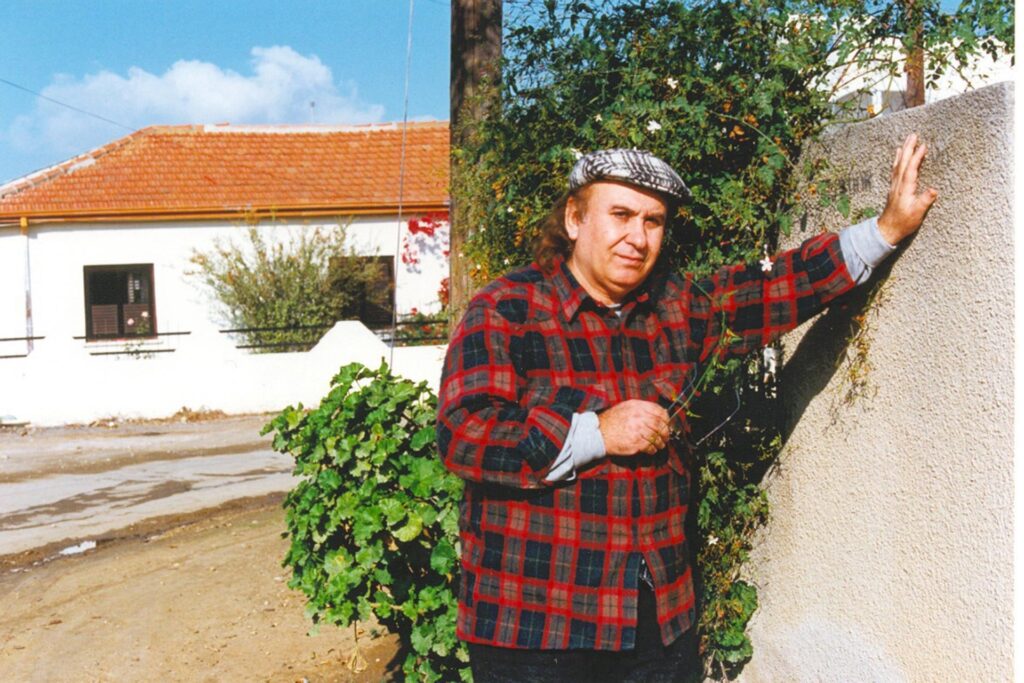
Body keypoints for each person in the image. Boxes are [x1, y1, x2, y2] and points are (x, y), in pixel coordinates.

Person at [437, 135, 937, 682]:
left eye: (653, 221)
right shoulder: (507, 308)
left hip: (657, 625)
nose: (637, 237)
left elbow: (777, 287)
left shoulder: (676, 306)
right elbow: (465, 433)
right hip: (536, 629)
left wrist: (885, 231)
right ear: (576, 219)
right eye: (621, 215)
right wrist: (596, 432)